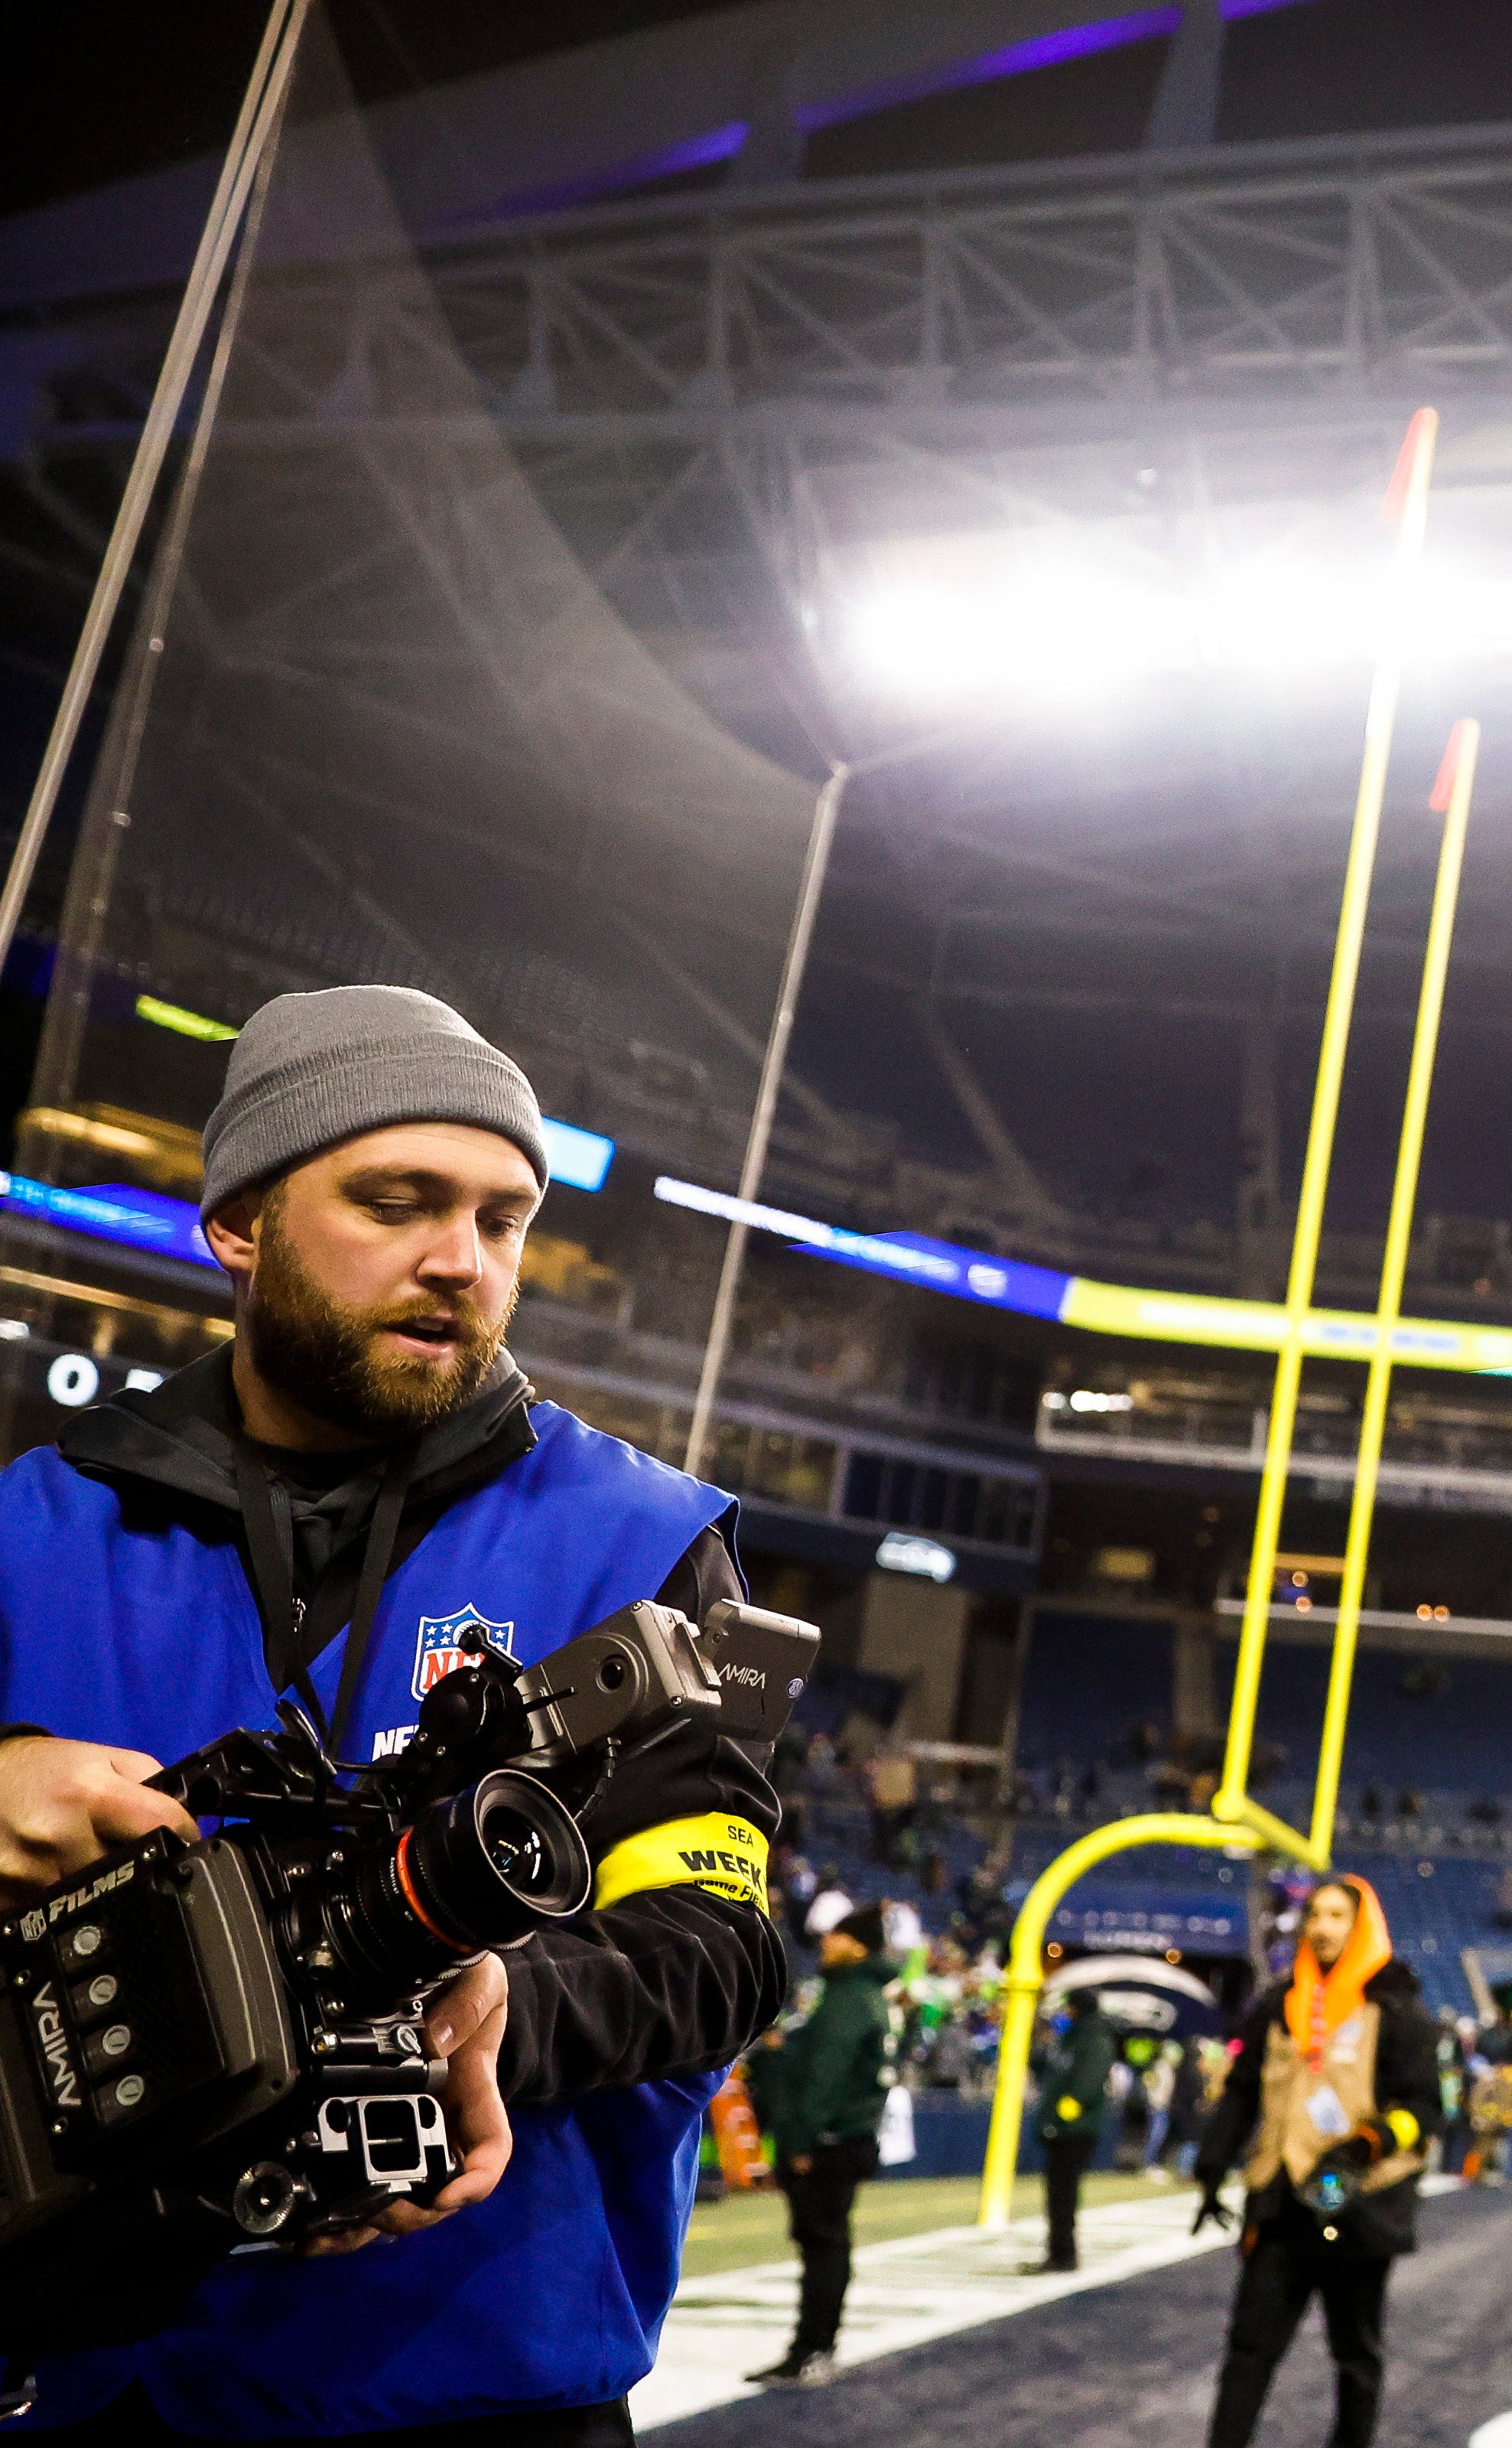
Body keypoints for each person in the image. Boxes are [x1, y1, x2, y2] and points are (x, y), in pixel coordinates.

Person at [0, 985, 786, 2440]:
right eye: (397, 1201)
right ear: (237, 1221)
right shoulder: (30, 1524)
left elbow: (719, 1947)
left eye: (502, 1219)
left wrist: (504, 2003)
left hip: (468, 2384)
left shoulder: (645, 1542)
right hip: (78, 2378)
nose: (459, 1260)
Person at [1195, 1875, 1440, 2448]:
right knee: (1249, 2347)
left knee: (1355, 2353)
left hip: (1355, 2199)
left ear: (1360, 1925)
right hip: (1281, 2199)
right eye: (1315, 1915)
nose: (1323, 1926)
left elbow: (1425, 2106)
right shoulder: (1278, 2003)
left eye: (1336, 1915)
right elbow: (1242, 2091)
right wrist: (1212, 2166)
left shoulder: (1396, 2005)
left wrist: (1366, 2145)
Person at [744, 1917, 897, 2388]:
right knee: (826, 2246)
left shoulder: (851, 1998)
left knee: (824, 2248)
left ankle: (812, 2350)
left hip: (827, 2142)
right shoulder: (858, 1996)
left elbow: (825, 2076)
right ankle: (816, 2346)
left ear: (859, 1945)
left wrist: (802, 2139)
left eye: (838, 1935)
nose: (827, 1943)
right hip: (839, 2139)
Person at [1031, 1988, 1118, 2271]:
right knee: (1058, 2194)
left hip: (1075, 2130)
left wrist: (1057, 2120)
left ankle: (1064, 2254)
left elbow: (1085, 2087)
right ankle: (1058, 2252)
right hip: (1067, 2128)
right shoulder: (1074, 2036)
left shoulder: (1094, 2039)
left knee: (1063, 2194)